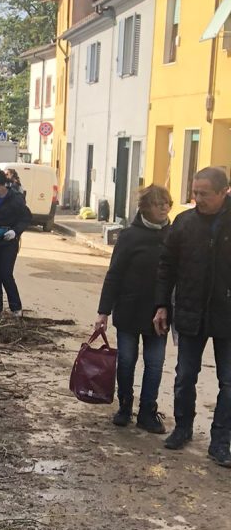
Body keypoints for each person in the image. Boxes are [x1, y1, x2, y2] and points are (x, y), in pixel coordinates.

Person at [154, 167, 231, 463]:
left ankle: (220, 442)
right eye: (195, 192)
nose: (197, 198)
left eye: (204, 194)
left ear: (224, 191)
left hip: (227, 314)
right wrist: (161, 305)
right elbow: (166, 266)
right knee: (185, 375)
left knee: (228, 381)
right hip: (189, 311)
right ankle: (183, 427)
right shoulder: (184, 223)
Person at [95, 185, 173, 433]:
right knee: (127, 361)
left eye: (167, 203)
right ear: (145, 208)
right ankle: (125, 406)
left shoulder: (174, 236)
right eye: (158, 203)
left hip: (159, 313)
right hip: (129, 310)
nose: (164, 208)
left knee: (155, 363)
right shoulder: (129, 236)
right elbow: (114, 275)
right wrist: (103, 311)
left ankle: (148, 412)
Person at [0, 168, 31, 316]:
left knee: (6, 273)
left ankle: (16, 307)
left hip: (8, 241)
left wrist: (15, 231)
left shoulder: (15, 199)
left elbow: (26, 218)